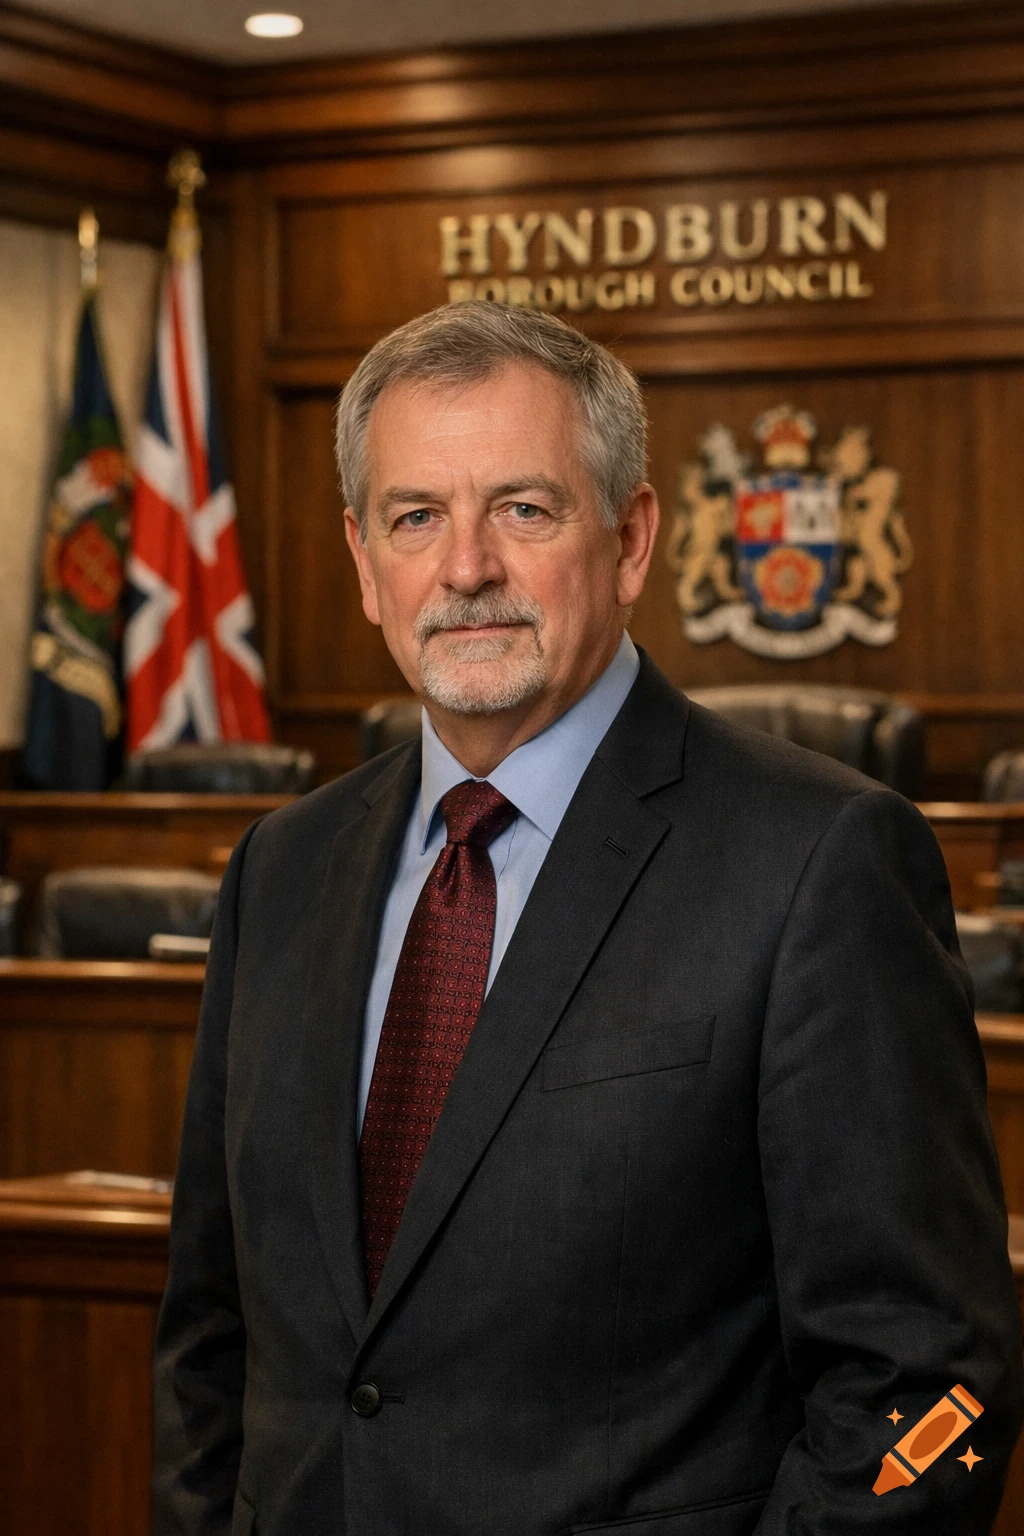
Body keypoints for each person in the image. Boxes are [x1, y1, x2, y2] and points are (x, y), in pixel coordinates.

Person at [153, 301, 1023, 1536]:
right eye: (416, 518)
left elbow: (927, 1380)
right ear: (363, 562)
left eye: (523, 507)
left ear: (630, 539)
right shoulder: (280, 870)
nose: (465, 569)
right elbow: (210, 1334)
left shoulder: (819, 863)